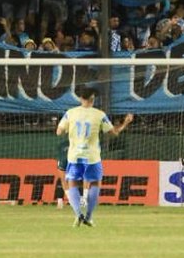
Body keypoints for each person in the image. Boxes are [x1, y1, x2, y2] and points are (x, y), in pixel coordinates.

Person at [56, 89, 133, 227]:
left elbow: (59, 131)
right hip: (92, 157)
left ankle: (78, 214)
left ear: (80, 98)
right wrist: (125, 123)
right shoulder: (99, 115)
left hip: (74, 156)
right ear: (93, 99)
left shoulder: (70, 113)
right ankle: (89, 217)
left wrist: (70, 131)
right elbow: (114, 132)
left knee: (72, 184)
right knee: (95, 183)